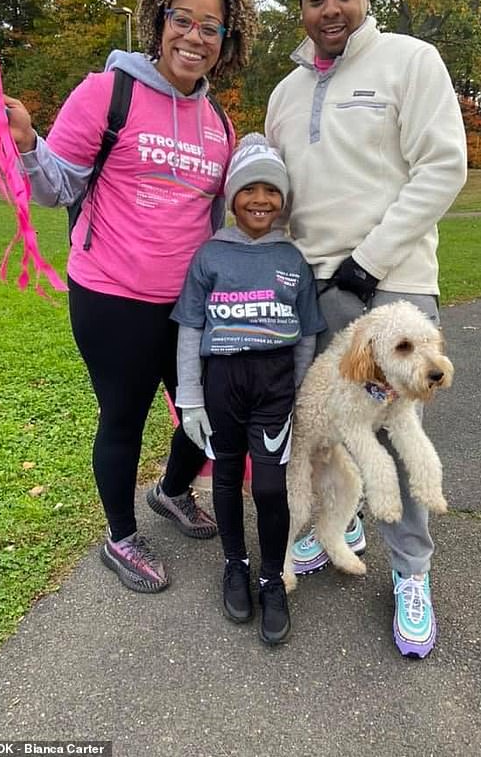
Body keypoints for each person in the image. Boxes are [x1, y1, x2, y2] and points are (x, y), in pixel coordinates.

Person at [4, 0, 258, 594]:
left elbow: (211, 219)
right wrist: (29, 145)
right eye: (183, 18)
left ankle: (173, 491)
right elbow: (56, 186)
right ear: (159, 18)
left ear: (225, 40)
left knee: (213, 411)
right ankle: (120, 537)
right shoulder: (106, 92)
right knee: (122, 416)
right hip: (111, 297)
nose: (194, 37)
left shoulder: (219, 122)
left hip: (187, 308)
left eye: (210, 26)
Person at [265, 0, 467, 657]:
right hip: (311, 291)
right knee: (325, 428)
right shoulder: (285, 93)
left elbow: (444, 167)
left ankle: (412, 571)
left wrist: (367, 261)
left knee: (399, 431)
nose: (330, 9)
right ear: (302, 7)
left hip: (390, 285)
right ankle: (338, 524)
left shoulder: (410, 61)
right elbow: (279, 197)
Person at [171, 134, 326, 644]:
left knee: (267, 487)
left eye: (271, 191)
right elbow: (191, 329)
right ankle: (235, 566)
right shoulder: (210, 255)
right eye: (248, 190)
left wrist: (297, 389)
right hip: (222, 385)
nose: (260, 199)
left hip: (274, 387)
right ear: (232, 197)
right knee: (226, 477)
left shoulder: (292, 258)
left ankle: (271, 578)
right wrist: (189, 395)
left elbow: (307, 334)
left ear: (283, 200)